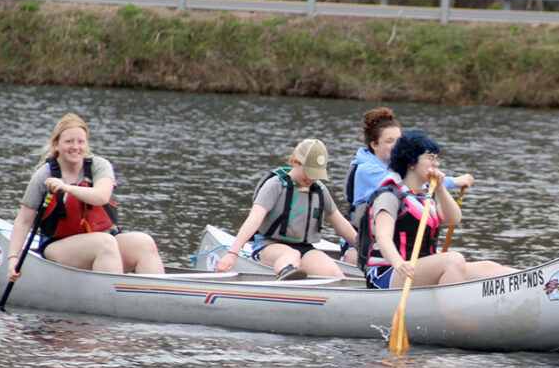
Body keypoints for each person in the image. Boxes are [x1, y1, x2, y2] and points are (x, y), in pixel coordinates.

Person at [6, 113, 164, 283]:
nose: (76, 147)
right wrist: (13, 259)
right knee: (104, 243)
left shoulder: (100, 166)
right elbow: (24, 220)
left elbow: (102, 197)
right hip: (59, 245)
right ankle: (112, 300)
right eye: (69, 142)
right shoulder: (44, 175)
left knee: (144, 242)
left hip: (102, 242)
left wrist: (67, 187)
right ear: (56, 144)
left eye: (81, 142)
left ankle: (157, 301)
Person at [359, 129, 514, 289]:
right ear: (411, 162)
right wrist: (399, 263)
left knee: (491, 269)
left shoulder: (427, 193)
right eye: (430, 158)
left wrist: (440, 188)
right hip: (388, 274)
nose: (436, 164)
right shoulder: (390, 195)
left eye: (437, 159)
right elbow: (383, 238)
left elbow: (453, 219)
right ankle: (450, 311)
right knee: (453, 260)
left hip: (418, 269)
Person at [216, 139, 357, 280]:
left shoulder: (319, 189)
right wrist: (233, 253)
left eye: (316, 174)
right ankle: (288, 275)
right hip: (269, 245)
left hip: (305, 248)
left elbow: (342, 225)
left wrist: (367, 251)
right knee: (291, 255)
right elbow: (253, 220)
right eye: (308, 173)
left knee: (336, 276)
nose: (311, 179)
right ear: (295, 162)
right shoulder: (275, 186)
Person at [344, 107, 475, 232]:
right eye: (390, 141)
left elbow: (452, 219)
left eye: (399, 140)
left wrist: (440, 187)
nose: (396, 146)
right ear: (374, 145)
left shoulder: (413, 182)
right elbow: (410, 181)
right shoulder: (367, 170)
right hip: (358, 244)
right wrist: (454, 181)